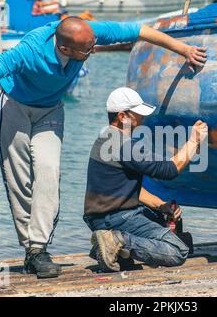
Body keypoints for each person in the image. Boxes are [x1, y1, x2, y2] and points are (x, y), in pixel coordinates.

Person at [0, 17, 207, 278]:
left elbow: (139, 30)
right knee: (19, 179)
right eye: (87, 51)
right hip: (12, 103)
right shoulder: (31, 49)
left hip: (50, 108)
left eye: (93, 46)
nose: (93, 51)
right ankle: (32, 252)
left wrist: (184, 50)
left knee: (49, 172)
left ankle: (39, 248)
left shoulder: (89, 33)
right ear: (64, 49)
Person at [83, 87, 208, 272]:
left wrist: (160, 205)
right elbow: (168, 169)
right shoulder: (125, 145)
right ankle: (117, 241)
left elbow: (123, 188)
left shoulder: (105, 139)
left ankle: (111, 246)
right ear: (122, 117)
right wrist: (193, 142)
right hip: (115, 218)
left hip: (101, 217)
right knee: (178, 250)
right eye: (137, 114)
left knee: (161, 219)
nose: (142, 118)